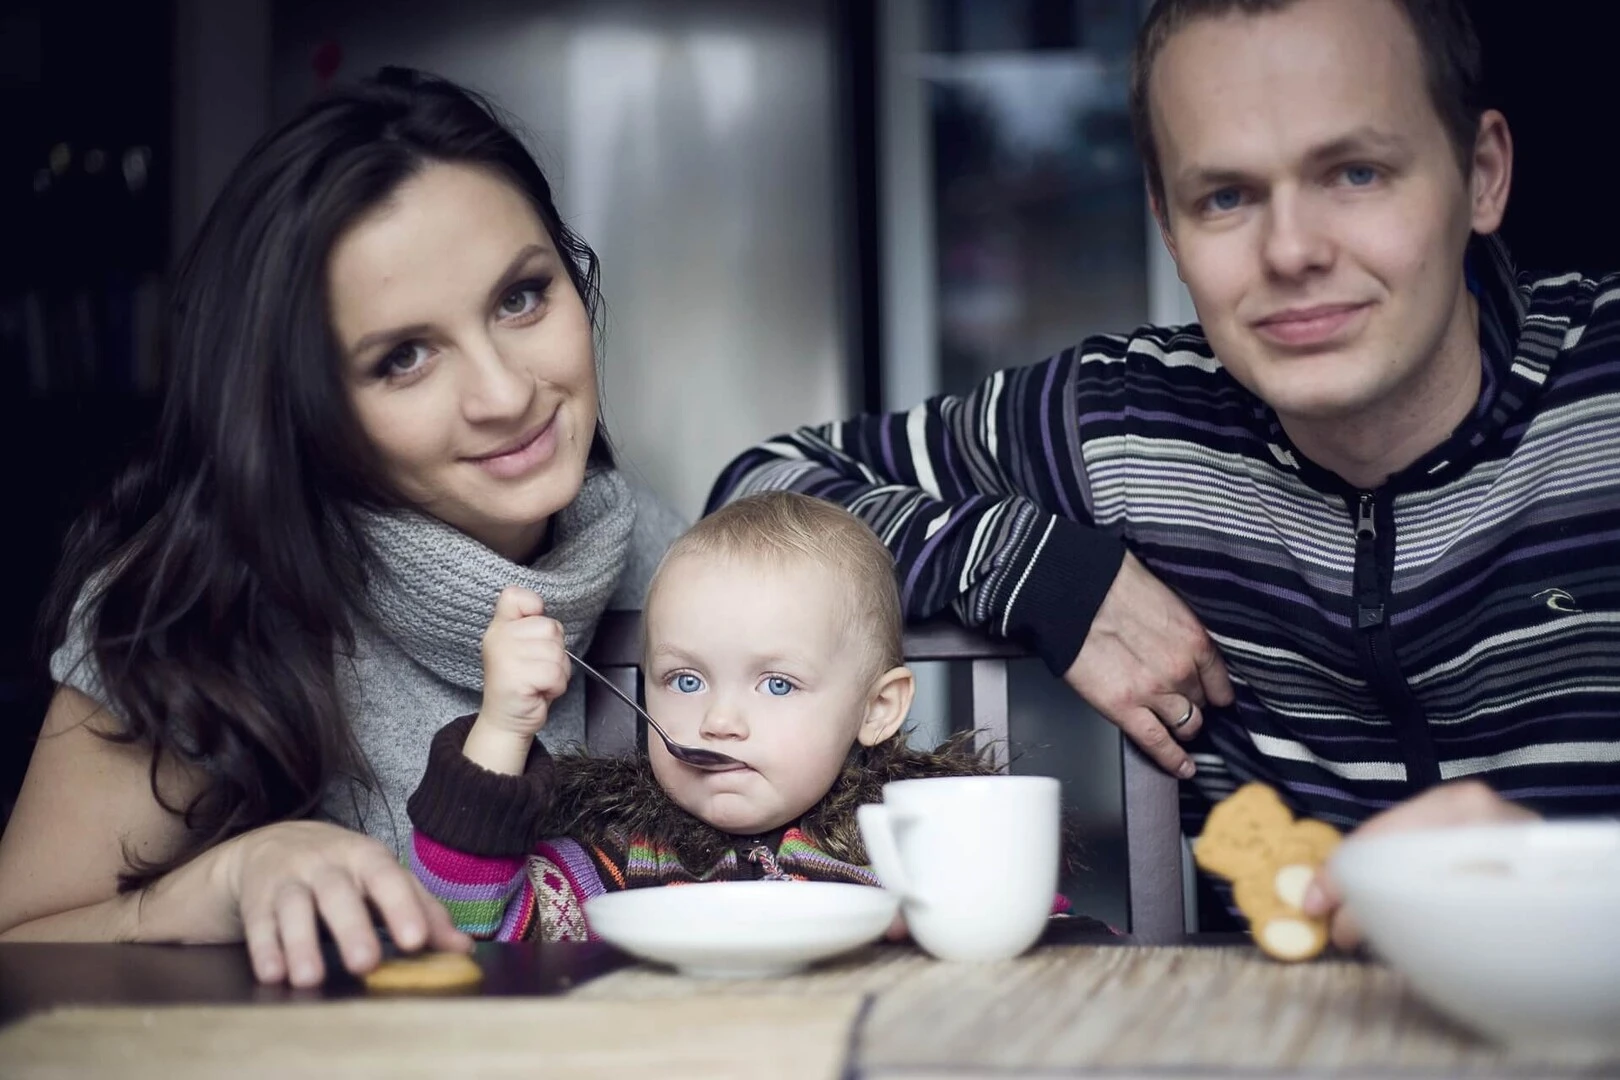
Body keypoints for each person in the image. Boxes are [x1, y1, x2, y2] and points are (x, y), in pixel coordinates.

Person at [708, 0, 1620, 948]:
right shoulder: (1128, 421)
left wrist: (1573, 884)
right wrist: (1049, 573)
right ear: (1169, 228)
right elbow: (762, 489)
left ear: (1480, 175)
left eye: (1356, 172)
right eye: (1225, 196)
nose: (1292, 251)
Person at [0, 68, 685, 985]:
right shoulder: (191, 611)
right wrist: (219, 881)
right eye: (403, 357)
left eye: (521, 297)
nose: (506, 393)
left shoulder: (671, 560)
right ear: (304, 408)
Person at [405, 491, 1078, 940]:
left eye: (777, 685)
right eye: (686, 679)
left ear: (877, 710)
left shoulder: (918, 856)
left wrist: (944, 933)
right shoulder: (616, 863)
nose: (719, 720)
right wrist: (504, 726)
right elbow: (469, 924)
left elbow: (1043, 955)